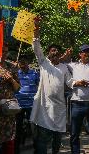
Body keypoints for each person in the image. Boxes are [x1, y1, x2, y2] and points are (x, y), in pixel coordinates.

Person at [30, 21, 74, 154]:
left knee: (57, 139)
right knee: (42, 139)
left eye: (57, 51)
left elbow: (70, 82)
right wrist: (36, 30)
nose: (55, 52)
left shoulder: (64, 67)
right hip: (44, 107)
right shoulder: (44, 63)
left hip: (59, 109)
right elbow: (36, 47)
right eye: (52, 50)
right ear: (48, 54)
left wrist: (78, 83)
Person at [67, 44, 89, 154]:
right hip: (77, 104)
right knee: (74, 132)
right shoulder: (72, 65)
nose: (86, 54)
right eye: (84, 52)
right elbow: (59, 65)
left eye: (88, 52)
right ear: (80, 54)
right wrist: (77, 83)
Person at [14, 55, 40, 154]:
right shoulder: (15, 73)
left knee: (34, 129)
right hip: (18, 106)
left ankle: (37, 150)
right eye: (20, 62)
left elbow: (39, 85)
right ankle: (16, 151)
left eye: (24, 61)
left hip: (31, 105)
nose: (22, 63)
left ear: (28, 62)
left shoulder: (34, 73)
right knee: (17, 130)